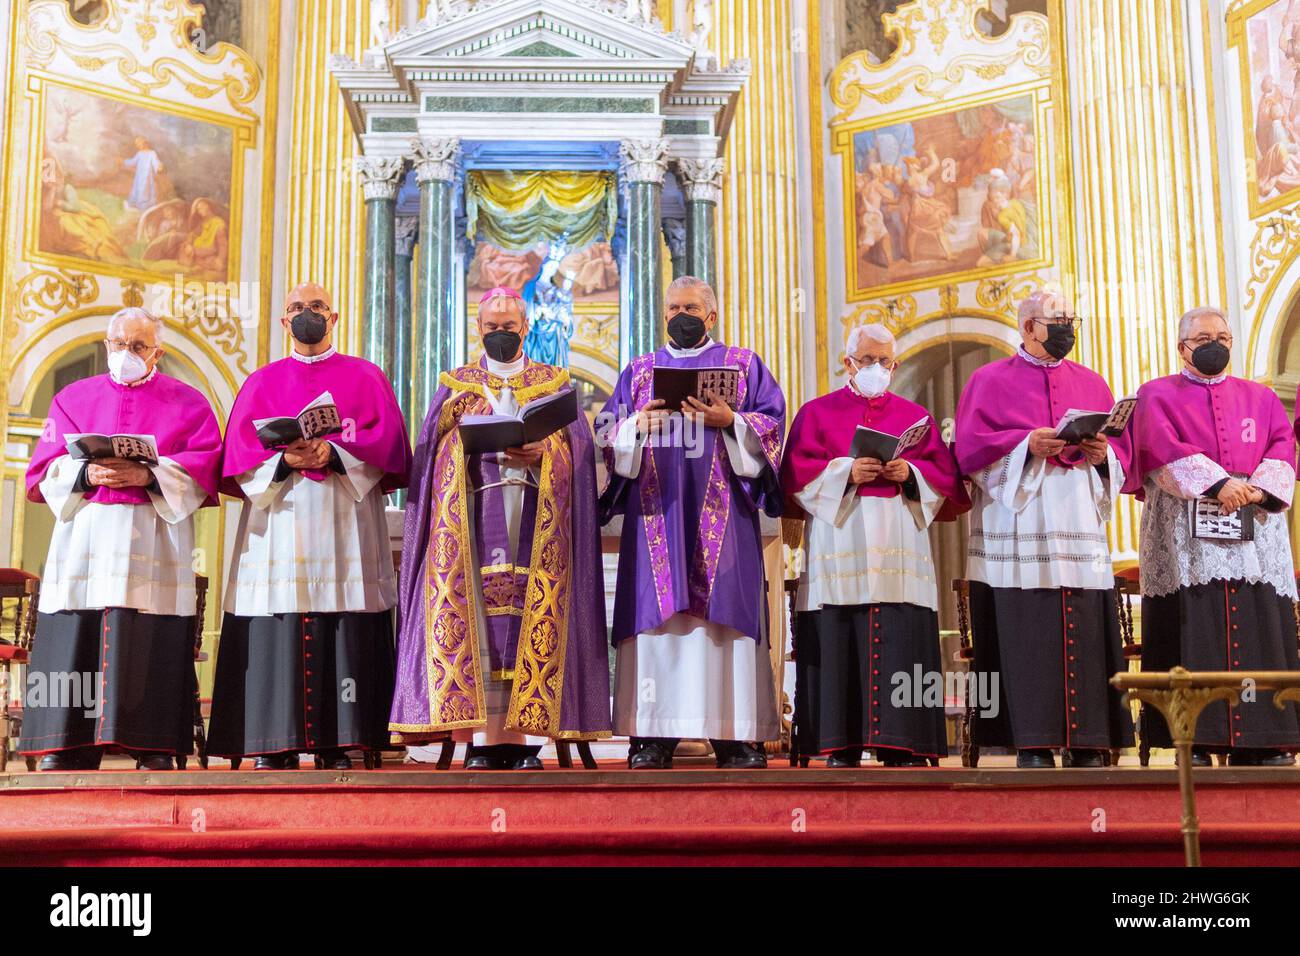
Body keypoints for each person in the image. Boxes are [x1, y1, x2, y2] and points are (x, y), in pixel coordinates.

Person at [391, 286, 611, 769]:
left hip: (535, 517)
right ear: (479, 328)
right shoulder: (456, 385)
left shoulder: (552, 383)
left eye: (508, 327)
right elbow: (428, 458)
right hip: (473, 520)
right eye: (491, 328)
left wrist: (545, 453)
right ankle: (483, 744)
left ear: (525, 327)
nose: (499, 335)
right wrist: (462, 438)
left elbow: (579, 455)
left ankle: (528, 742)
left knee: (528, 619)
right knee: (483, 629)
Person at [207, 283, 411, 770]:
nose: (306, 315)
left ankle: (339, 740)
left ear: (334, 317)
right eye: (296, 308)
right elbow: (238, 459)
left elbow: (387, 447)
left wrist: (332, 452)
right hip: (278, 519)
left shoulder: (366, 377)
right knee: (276, 617)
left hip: (344, 519)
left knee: (345, 617)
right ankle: (271, 742)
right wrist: (285, 457)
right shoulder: (260, 382)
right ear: (283, 322)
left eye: (316, 307)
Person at [20, 307, 221, 771]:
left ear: (157, 352)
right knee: (78, 631)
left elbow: (205, 466)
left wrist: (148, 472)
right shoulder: (73, 397)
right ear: (106, 344)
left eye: (137, 346)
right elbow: (42, 470)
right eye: (118, 344)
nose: (125, 354)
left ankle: (151, 743)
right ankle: (67, 743)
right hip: (85, 538)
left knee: (148, 637)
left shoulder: (189, 403)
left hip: (151, 536)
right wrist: (87, 471)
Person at [598, 275, 786, 769]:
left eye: (690, 307)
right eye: (673, 307)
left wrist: (732, 423)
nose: (680, 315)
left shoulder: (743, 366)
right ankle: (652, 736)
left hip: (722, 517)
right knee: (658, 622)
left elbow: (772, 423)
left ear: (712, 315)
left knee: (724, 619)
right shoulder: (640, 372)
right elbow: (607, 431)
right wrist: (636, 427)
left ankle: (734, 735)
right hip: (657, 514)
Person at [954, 290, 1134, 768]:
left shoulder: (1092, 382)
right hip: (1020, 521)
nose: (1067, 328)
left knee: (1086, 629)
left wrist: (1103, 458)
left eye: (1070, 319)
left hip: (1076, 519)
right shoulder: (987, 380)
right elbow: (970, 450)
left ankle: (1088, 740)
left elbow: (1122, 451)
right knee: (1025, 633)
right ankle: (1032, 743)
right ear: (1029, 327)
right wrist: (1026, 444)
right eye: (1058, 320)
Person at [781, 324, 969, 767]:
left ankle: (901, 743)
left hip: (900, 538)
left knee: (900, 632)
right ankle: (839, 745)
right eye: (867, 360)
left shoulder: (916, 417)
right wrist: (846, 471)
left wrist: (911, 475)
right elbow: (794, 475)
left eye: (885, 361)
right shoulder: (816, 413)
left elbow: (945, 479)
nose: (877, 368)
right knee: (839, 633)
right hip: (839, 538)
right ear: (848, 363)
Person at [1126, 306, 1300, 766]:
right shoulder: (1154, 394)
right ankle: (1196, 739)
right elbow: (1156, 447)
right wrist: (1218, 483)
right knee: (1193, 625)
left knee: (1258, 619)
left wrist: (1256, 488)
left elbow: (1282, 445)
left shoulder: (1259, 397)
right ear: (1181, 346)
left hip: (1253, 525)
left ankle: (1262, 739)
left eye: (1223, 337)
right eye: (1204, 336)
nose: (1215, 344)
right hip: (1185, 532)